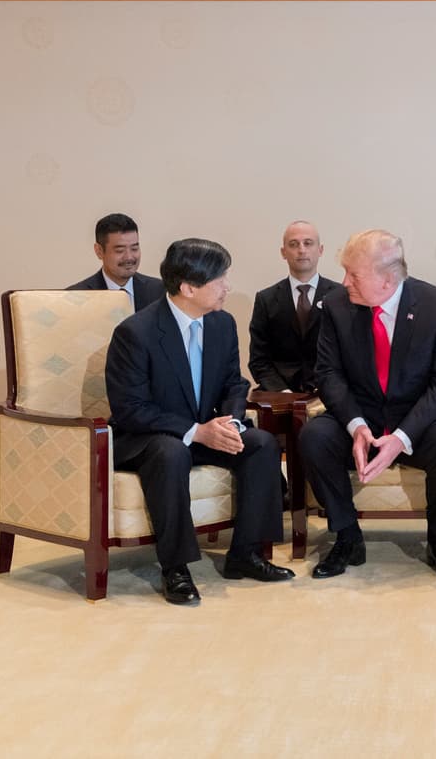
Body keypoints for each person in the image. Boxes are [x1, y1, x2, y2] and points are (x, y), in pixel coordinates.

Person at [105, 238, 293, 605]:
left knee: (261, 444)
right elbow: (130, 408)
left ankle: (246, 554)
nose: (228, 286)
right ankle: (175, 566)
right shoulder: (136, 333)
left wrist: (231, 423)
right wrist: (196, 432)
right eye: (220, 279)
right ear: (188, 288)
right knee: (171, 451)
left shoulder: (221, 324)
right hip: (150, 439)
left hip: (206, 432)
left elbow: (234, 383)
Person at [298, 229, 436, 580]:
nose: (344, 281)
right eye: (345, 271)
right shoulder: (336, 305)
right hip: (361, 414)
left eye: (354, 274)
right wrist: (356, 426)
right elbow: (328, 374)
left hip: (422, 420)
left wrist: (401, 437)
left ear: (388, 279)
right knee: (314, 437)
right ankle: (347, 535)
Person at [248, 220, 344, 393]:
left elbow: (348, 354)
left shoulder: (340, 295)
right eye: (293, 244)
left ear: (320, 250)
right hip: (279, 394)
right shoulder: (266, 298)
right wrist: (282, 392)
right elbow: (259, 359)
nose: (301, 250)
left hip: (329, 391)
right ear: (283, 252)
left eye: (308, 243)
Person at [68, 212, 164, 309]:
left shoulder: (160, 291)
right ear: (99, 251)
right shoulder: (76, 297)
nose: (129, 257)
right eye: (120, 250)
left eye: (134, 248)